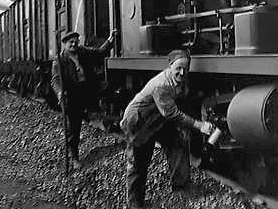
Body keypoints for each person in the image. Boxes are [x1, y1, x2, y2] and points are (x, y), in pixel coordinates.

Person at [120, 49, 213, 209]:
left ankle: (181, 187)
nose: (182, 72)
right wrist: (199, 125)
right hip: (140, 121)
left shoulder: (182, 79)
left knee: (178, 143)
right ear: (170, 67)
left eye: (185, 68)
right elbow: (172, 114)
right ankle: (135, 203)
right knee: (139, 161)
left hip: (159, 118)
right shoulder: (161, 84)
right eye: (178, 68)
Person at [51, 30, 116, 169]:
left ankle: (108, 120)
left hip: (86, 91)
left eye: (76, 41)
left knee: (107, 90)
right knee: (74, 128)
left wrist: (110, 41)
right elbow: (55, 79)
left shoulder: (82, 52)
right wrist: (59, 92)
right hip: (72, 96)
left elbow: (99, 53)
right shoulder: (59, 60)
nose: (74, 44)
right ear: (64, 44)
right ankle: (74, 158)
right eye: (71, 43)